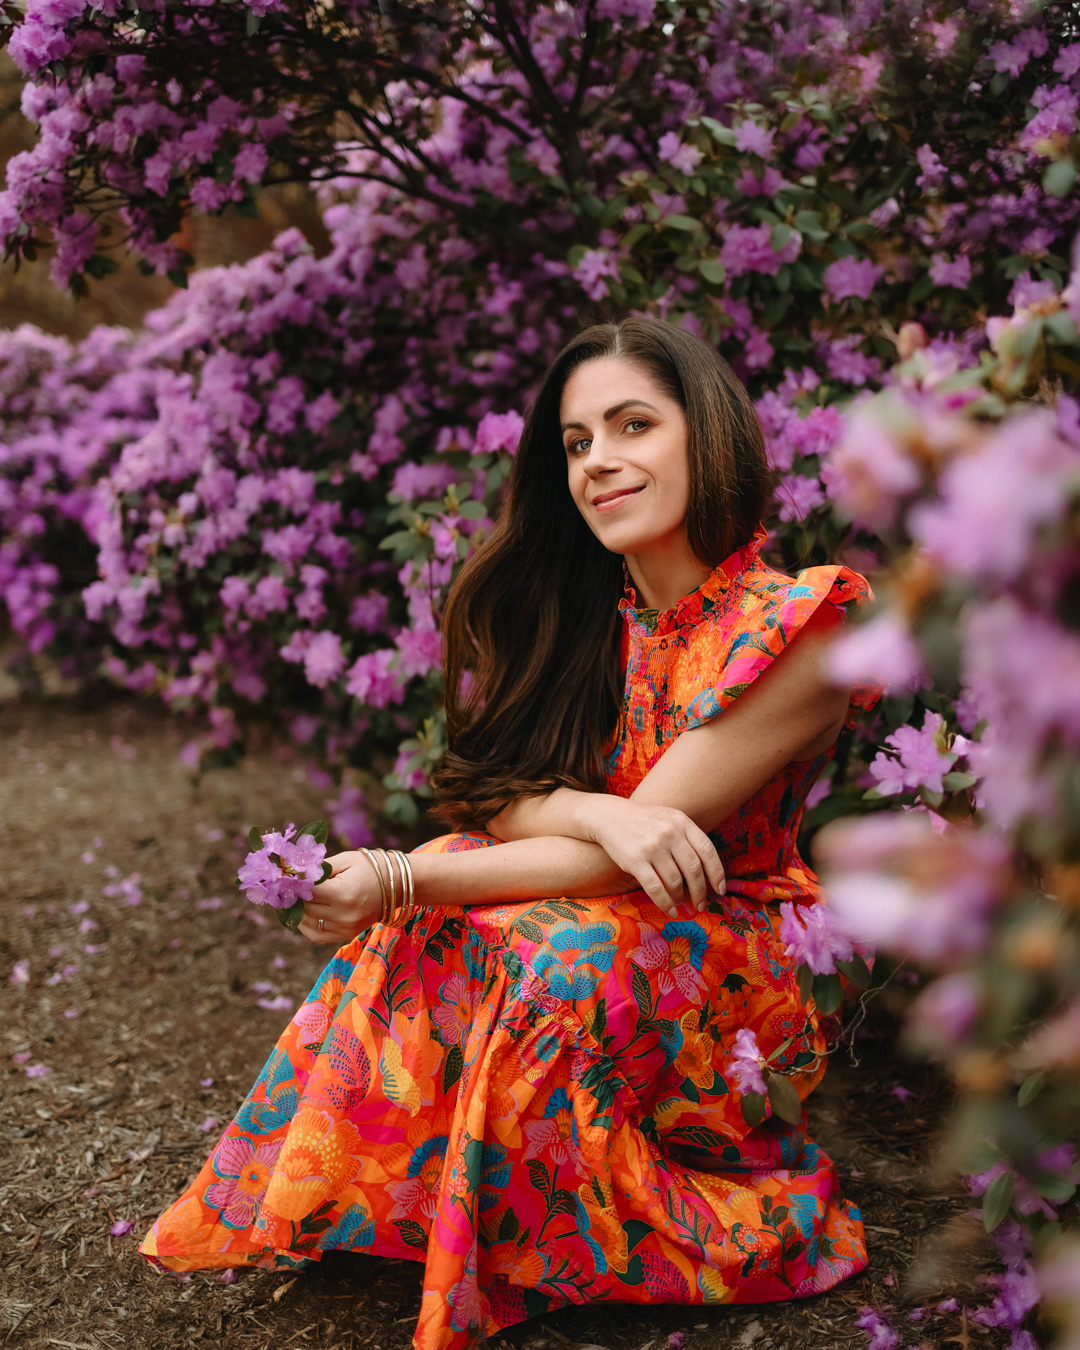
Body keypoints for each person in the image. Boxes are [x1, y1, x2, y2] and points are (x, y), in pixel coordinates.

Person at [140, 317, 879, 1348]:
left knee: (517, 935)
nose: (599, 462)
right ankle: (433, 1198)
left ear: (705, 433)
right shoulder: (590, 612)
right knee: (455, 886)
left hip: (725, 934)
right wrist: (596, 809)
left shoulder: (801, 625)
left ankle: (588, 1230)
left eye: (632, 425)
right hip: (617, 900)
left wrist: (398, 876)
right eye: (577, 442)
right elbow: (502, 796)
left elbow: (627, 854)